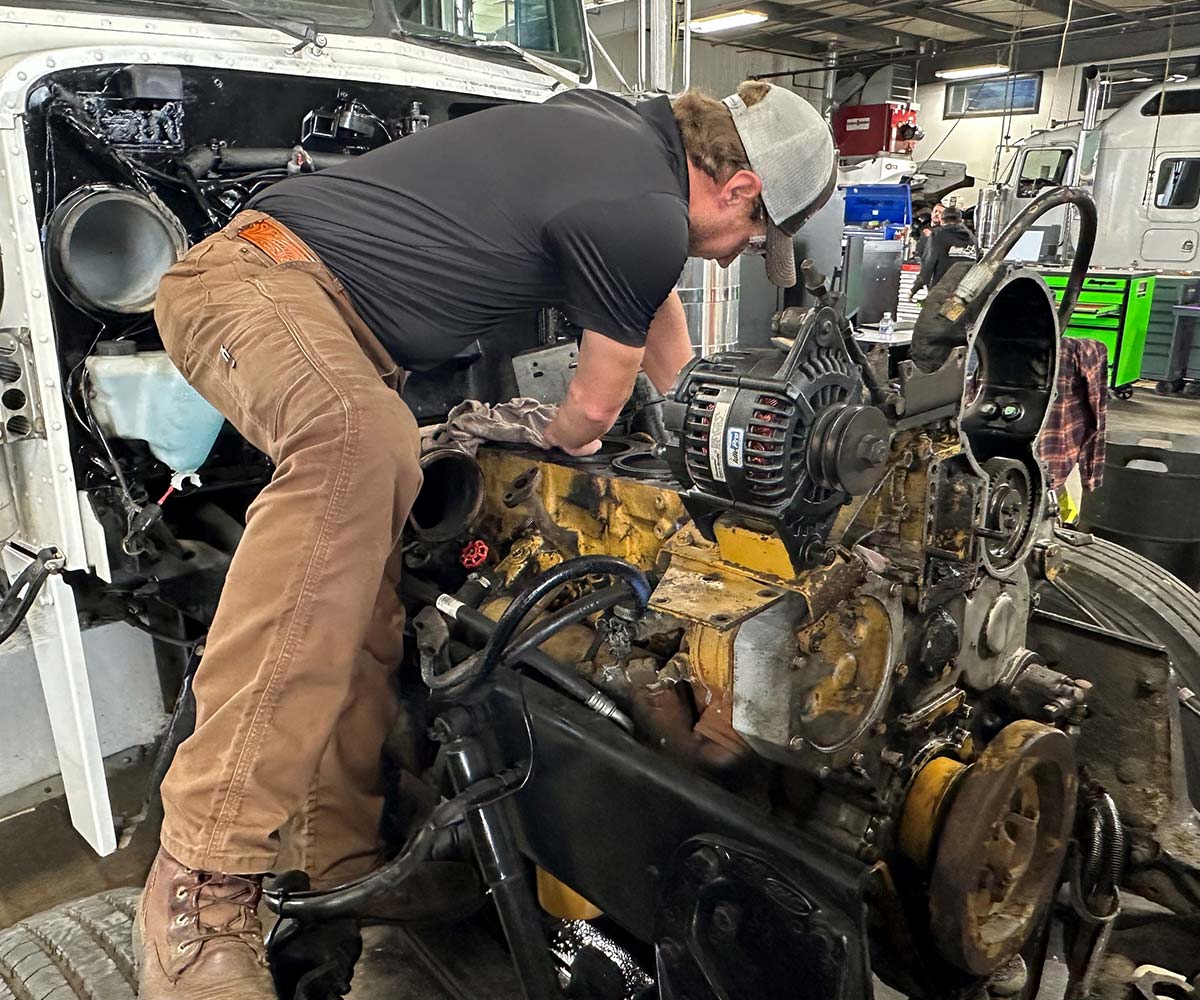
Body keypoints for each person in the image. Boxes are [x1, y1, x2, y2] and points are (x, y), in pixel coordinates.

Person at [135, 80, 837, 1000]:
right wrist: (560, 432)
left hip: (314, 311)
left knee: (352, 595)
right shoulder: (643, 205)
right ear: (740, 189)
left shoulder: (622, 135)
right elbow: (590, 412)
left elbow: (660, 328)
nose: (743, 251)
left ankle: (340, 866)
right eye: (755, 234)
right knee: (361, 441)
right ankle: (198, 879)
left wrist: (713, 430)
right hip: (257, 280)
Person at [909, 205, 978, 301]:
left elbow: (929, 262)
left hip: (941, 292)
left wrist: (915, 288)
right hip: (963, 295)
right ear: (960, 220)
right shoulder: (973, 239)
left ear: (942, 220)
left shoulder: (938, 234)